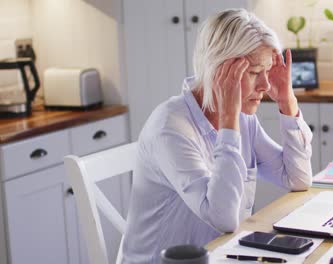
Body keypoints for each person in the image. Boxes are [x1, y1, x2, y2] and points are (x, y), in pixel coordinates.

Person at [121, 8, 313, 263]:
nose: (266, 86)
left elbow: (298, 178)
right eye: (255, 72)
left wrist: (287, 101)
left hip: (222, 255)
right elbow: (223, 218)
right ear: (220, 71)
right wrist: (228, 120)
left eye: (267, 71)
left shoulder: (244, 120)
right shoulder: (170, 127)